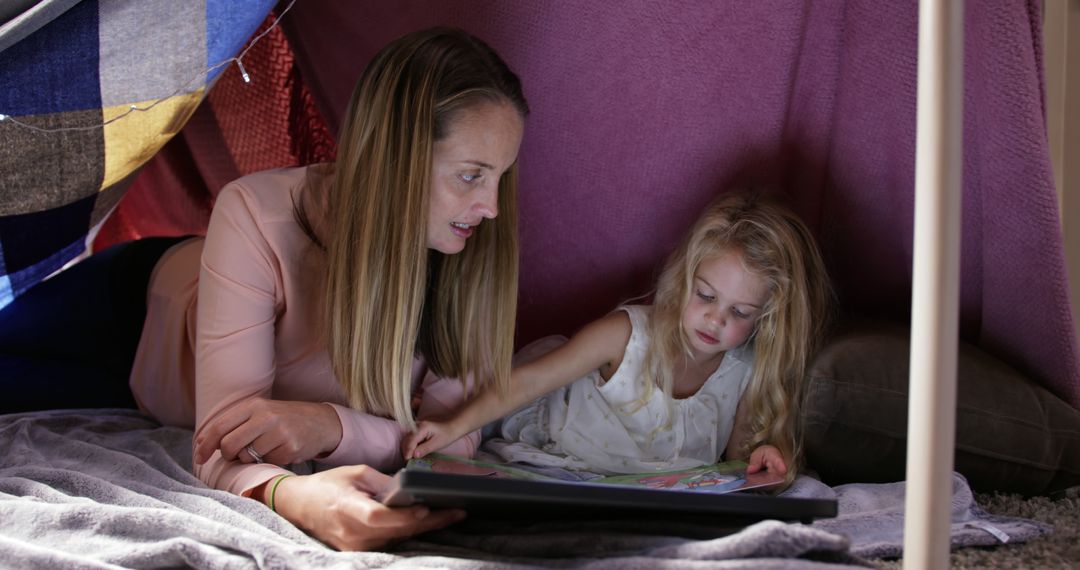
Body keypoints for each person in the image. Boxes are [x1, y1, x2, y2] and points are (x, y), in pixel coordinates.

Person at [0, 27, 528, 551]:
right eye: (470, 175)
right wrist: (297, 496)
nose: (492, 207)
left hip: (150, 390)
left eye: (499, 177)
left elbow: (453, 434)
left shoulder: (472, 255)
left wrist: (333, 428)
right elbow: (219, 445)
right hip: (128, 310)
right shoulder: (257, 211)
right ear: (398, 158)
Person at [403, 191, 832, 484]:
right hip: (562, 445)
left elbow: (738, 461)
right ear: (684, 278)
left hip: (642, 485)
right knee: (493, 399)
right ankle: (448, 412)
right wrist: (452, 425)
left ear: (765, 317)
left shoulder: (743, 373)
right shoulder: (626, 336)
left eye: (739, 312)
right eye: (705, 295)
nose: (715, 319)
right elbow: (531, 381)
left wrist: (765, 460)